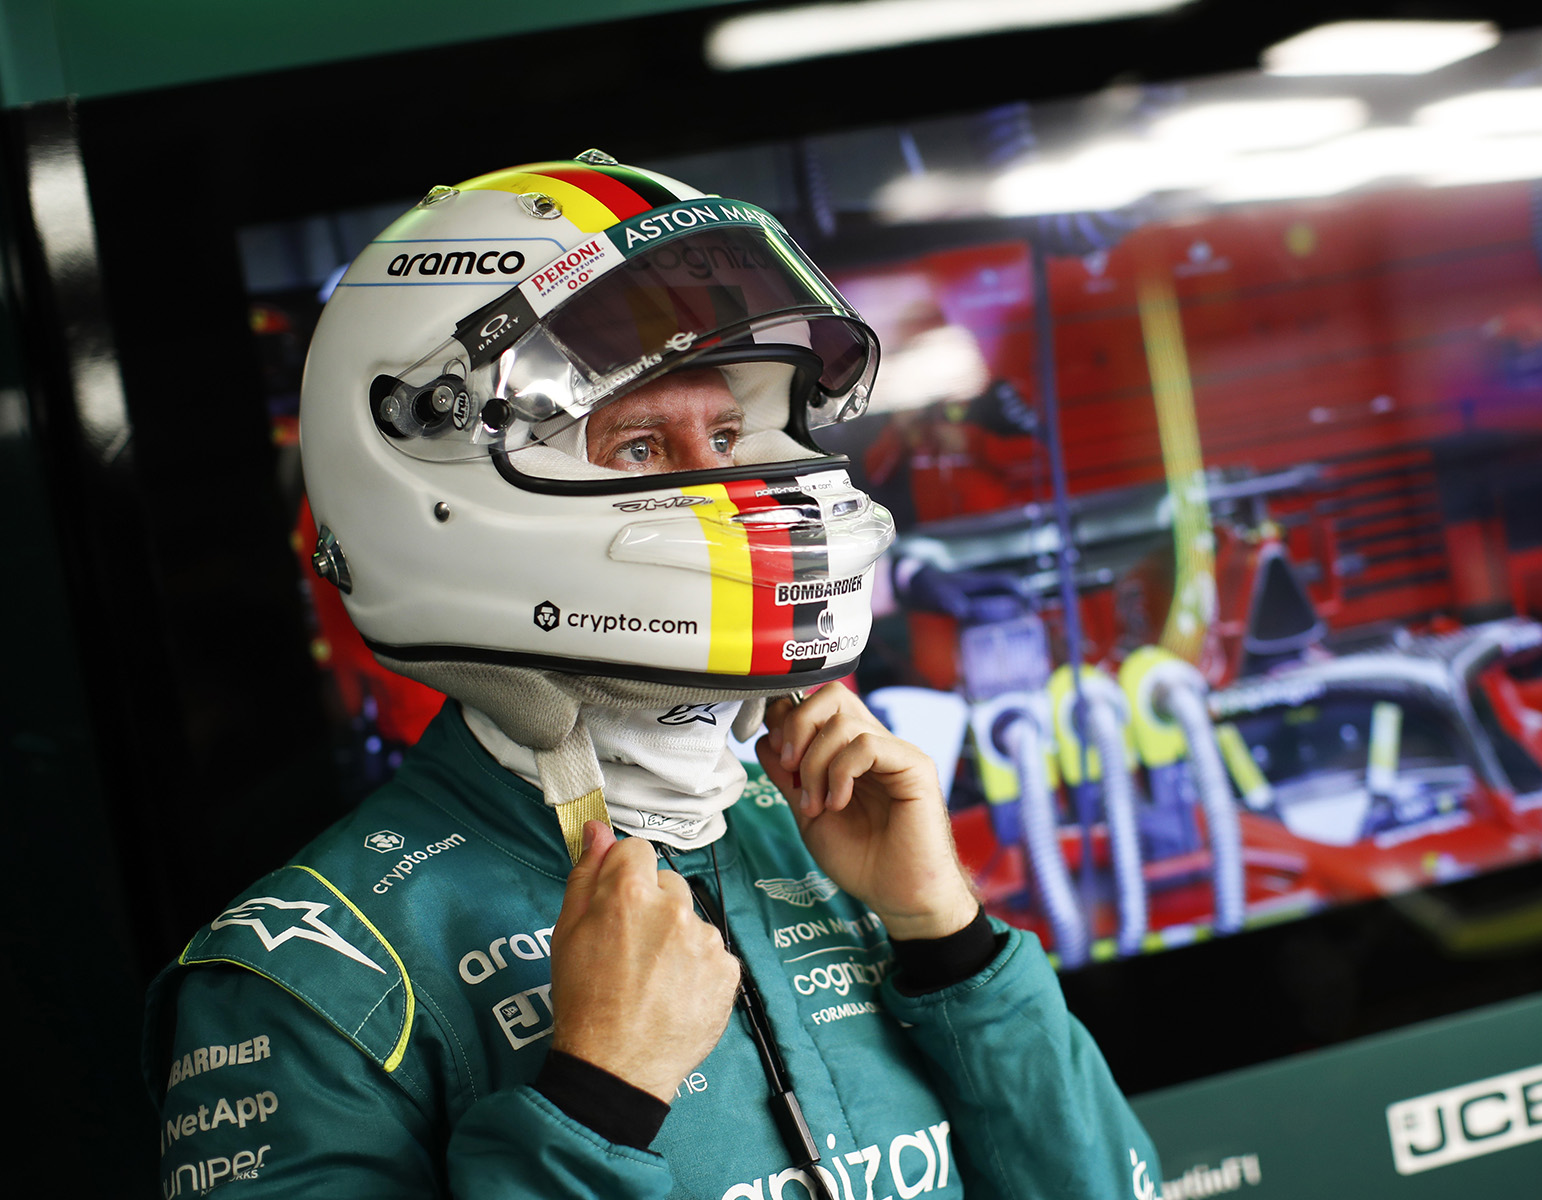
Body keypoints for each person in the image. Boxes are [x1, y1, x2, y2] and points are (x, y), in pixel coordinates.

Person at [143, 154, 1163, 1199]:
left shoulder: (820, 834)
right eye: (639, 446)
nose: (728, 488)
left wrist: (947, 940)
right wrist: (599, 1095)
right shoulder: (306, 979)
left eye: (725, 433)